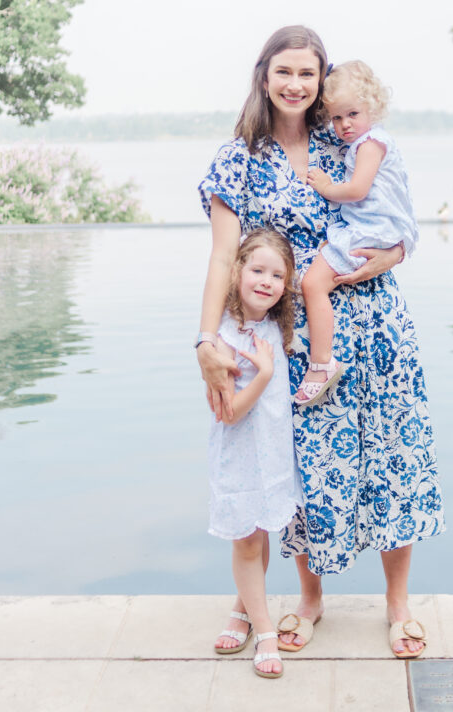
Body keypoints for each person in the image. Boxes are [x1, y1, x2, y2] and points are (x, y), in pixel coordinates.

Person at [197, 25, 444, 660]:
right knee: (307, 467)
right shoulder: (239, 159)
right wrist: (206, 341)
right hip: (294, 338)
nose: (297, 85)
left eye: (309, 73)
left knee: (392, 456)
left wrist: (383, 258)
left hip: (378, 325)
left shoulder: (348, 138)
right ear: (264, 75)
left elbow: (402, 223)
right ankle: (309, 600)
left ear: (323, 79)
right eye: (285, 72)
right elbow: (225, 257)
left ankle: (398, 605)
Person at [207, 228, 302, 679]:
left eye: (277, 275)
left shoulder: (271, 327)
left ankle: (242, 610)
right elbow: (229, 414)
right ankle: (265, 632)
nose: (266, 281)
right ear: (237, 270)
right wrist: (262, 375)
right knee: (246, 537)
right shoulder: (223, 337)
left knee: (260, 532)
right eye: (257, 269)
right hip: (241, 455)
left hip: (272, 454)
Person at [296, 60, 419, 405]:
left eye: (352, 114)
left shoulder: (369, 144)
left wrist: (326, 186)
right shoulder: (369, 141)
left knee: (313, 283)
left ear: (373, 107)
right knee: (318, 282)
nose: (344, 125)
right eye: (336, 118)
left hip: (369, 232)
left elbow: (357, 190)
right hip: (377, 229)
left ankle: (321, 363)